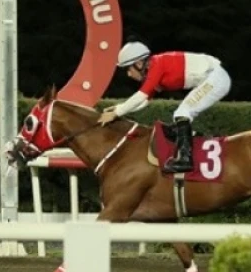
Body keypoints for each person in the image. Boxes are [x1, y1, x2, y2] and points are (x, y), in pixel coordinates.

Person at [97, 41, 232, 173]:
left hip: (216, 79)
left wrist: (117, 112)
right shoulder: (154, 68)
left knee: (182, 113)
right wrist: (118, 108)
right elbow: (144, 102)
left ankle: (186, 160)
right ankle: (199, 141)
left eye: (128, 68)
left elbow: (141, 96)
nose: (128, 74)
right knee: (178, 120)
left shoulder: (156, 65)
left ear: (139, 64)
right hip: (213, 78)